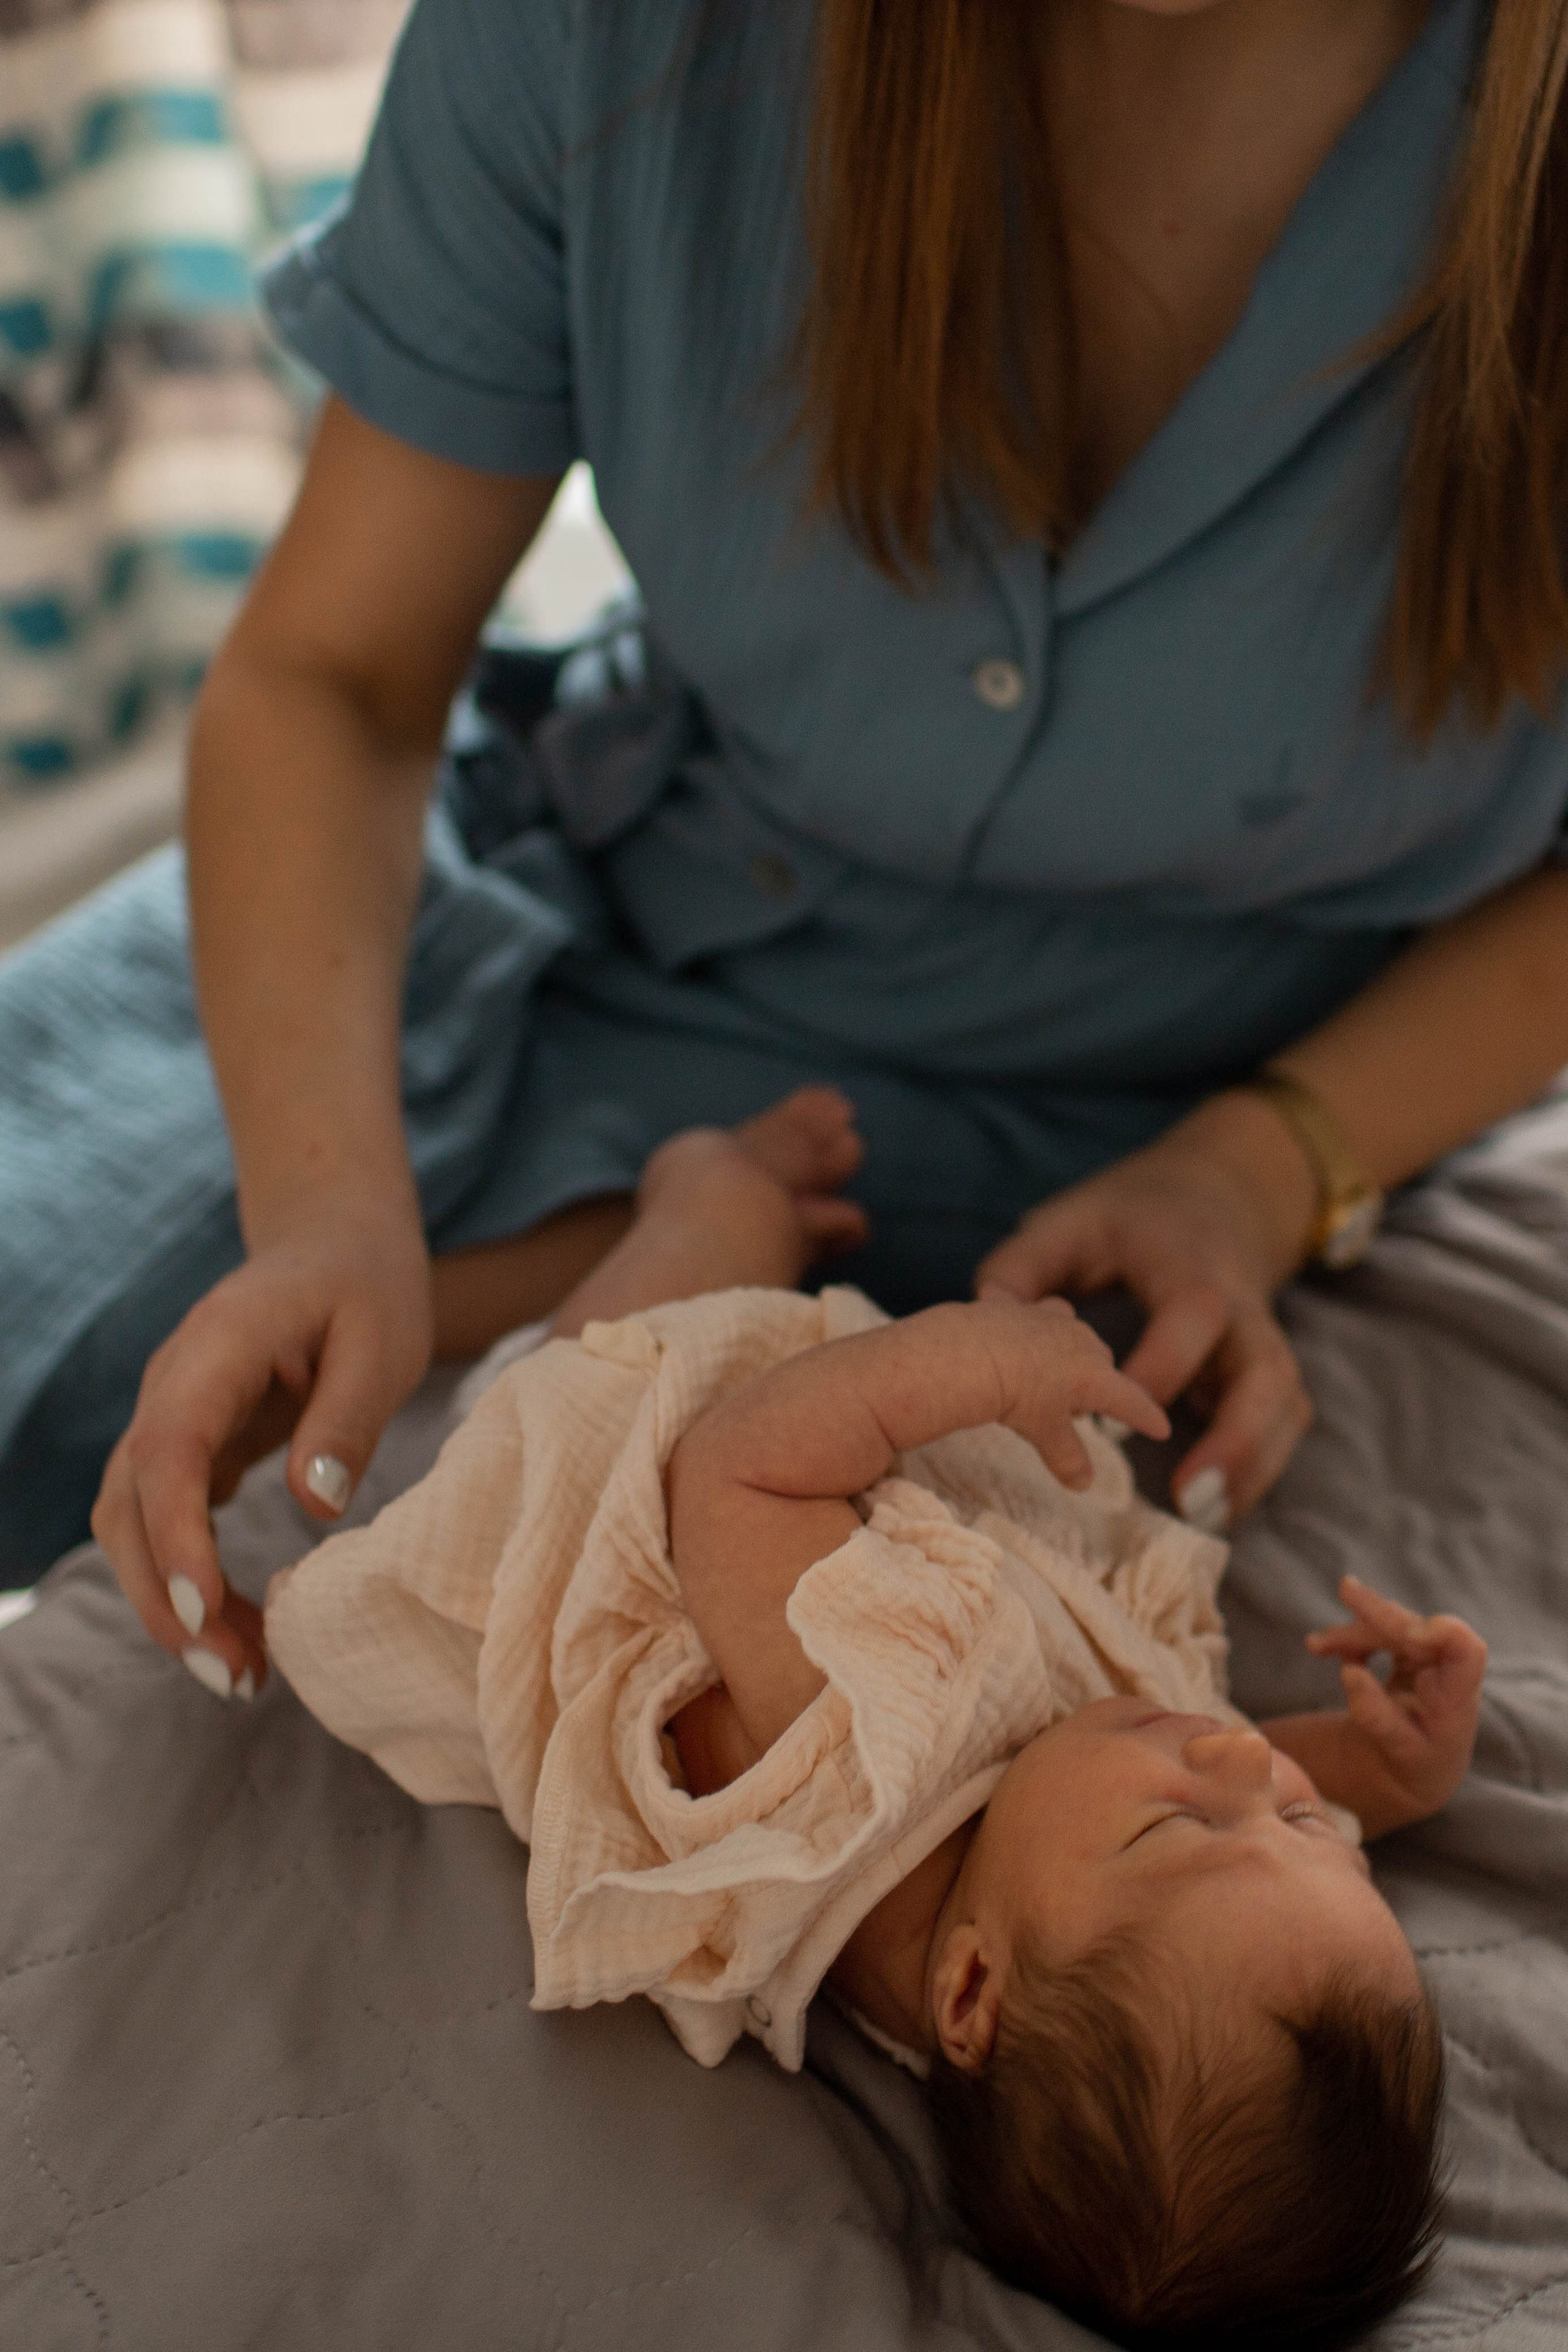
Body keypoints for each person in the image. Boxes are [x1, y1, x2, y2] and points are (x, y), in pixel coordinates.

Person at [3, 0, 1567, 1626]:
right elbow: (338, 677)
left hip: (1181, 1098)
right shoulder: (609, 44)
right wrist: (325, 1209)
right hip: (555, 912)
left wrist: (1261, 1167)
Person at [262, 1088, 1477, 2346]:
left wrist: (959, 1364)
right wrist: (1388, 1772)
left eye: (1176, 1827)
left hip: (629, 1495)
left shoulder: (855, 1762)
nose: (1238, 1750)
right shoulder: (1070, 1902)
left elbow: (734, 1466)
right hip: (838, 1539)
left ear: (965, 1994)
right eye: (1300, 1824)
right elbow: (1267, 1807)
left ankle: (708, 1178)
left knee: (697, 1269)